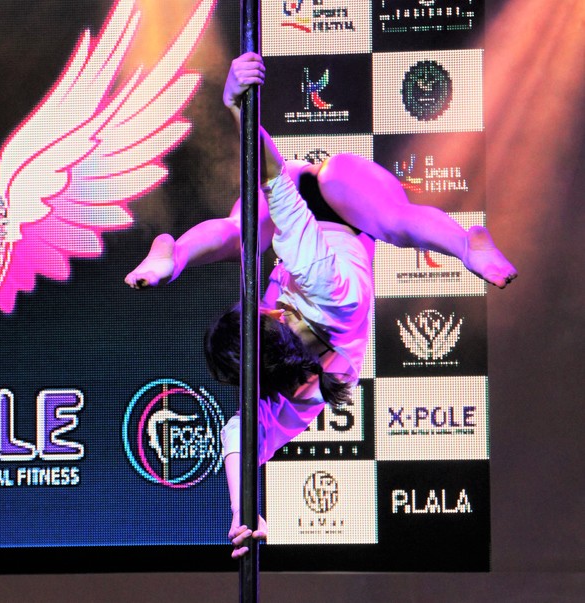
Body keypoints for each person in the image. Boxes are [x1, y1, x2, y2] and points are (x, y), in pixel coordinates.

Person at [125, 53, 517, 558]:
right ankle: (172, 251)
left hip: (317, 200)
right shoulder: (329, 301)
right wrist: (239, 106)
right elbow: (239, 436)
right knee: (380, 222)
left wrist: (243, 512)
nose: (262, 304)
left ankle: (176, 255)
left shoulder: (304, 348)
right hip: (346, 210)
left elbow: (275, 184)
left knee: (249, 232)